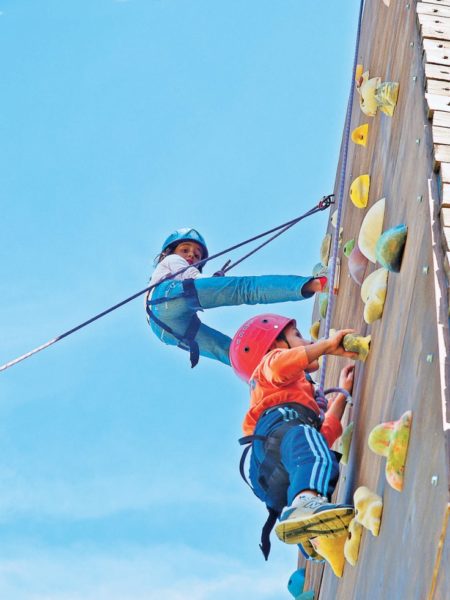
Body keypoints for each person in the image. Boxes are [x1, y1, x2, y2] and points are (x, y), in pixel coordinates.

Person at [230, 313, 356, 560]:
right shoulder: (268, 366)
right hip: (278, 438)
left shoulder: (299, 402)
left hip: (271, 473)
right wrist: (326, 346)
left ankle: (312, 539)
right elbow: (282, 364)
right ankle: (305, 505)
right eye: (297, 335)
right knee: (310, 450)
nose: (307, 340)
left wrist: (342, 396)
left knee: (317, 454)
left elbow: (322, 439)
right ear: (276, 345)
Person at [146, 228, 327, 367]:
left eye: (197, 254)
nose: (192, 254)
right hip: (165, 298)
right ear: (167, 253)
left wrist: (212, 284)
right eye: (185, 250)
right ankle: (315, 284)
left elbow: (195, 282)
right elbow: (193, 278)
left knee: (230, 351)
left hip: (162, 330)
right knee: (245, 289)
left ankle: (290, 367)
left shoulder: (168, 275)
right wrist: (212, 283)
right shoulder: (171, 260)